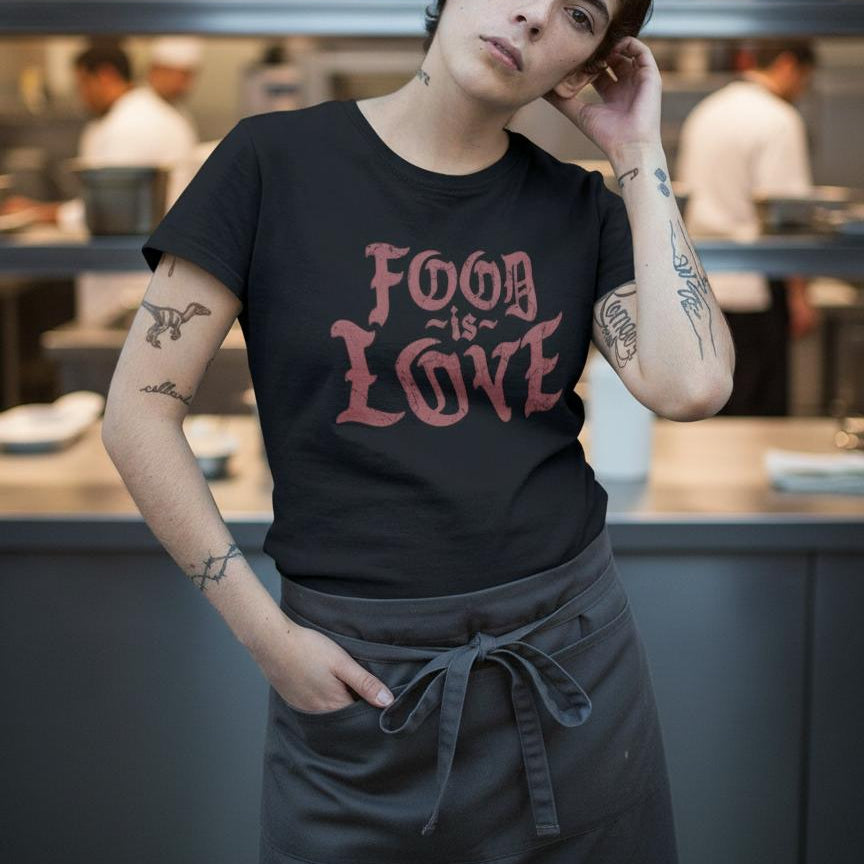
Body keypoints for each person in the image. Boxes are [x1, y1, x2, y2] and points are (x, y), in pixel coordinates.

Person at [104, 1, 735, 861]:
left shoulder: (578, 206)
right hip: (359, 679)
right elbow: (138, 409)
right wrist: (267, 637)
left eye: (579, 14)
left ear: (591, 58)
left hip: (570, 665)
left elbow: (691, 383)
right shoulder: (270, 161)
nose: (532, 14)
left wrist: (635, 152)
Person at [0, 40, 198, 326]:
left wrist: (39, 213)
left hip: (129, 285)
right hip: (151, 275)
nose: (82, 97)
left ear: (105, 75)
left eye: (82, 84)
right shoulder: (153, 114)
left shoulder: (130, 125)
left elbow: (109, 212)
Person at [676, 40, 820, 415]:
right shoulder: (779, 119)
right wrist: (800, 297)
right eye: (804, 79)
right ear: (788, 65)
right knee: (757, 417)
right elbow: (788, 220)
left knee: (711, 414)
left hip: (701, 286)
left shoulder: (708, 111)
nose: (802, 90)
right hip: (755, 289)